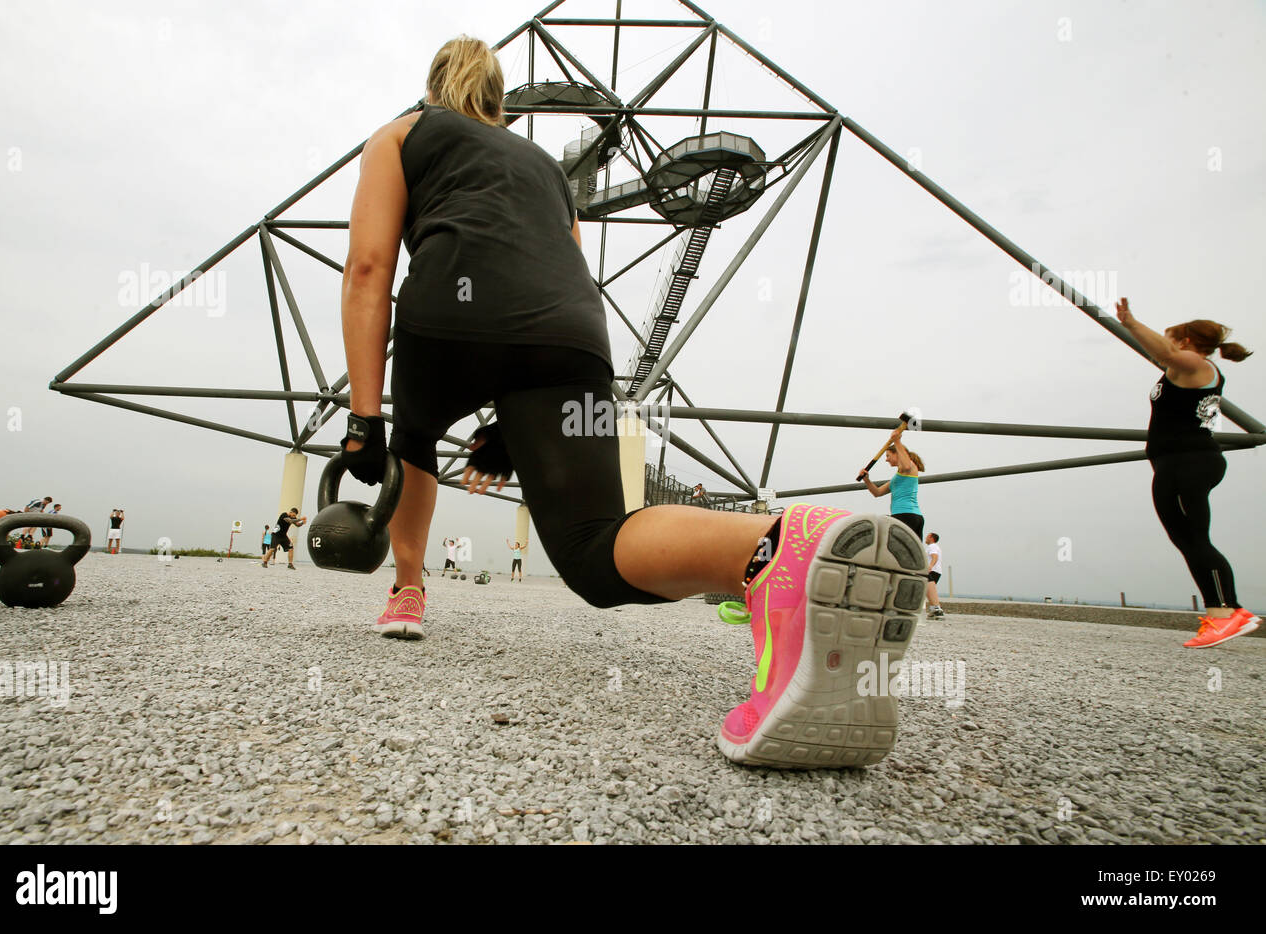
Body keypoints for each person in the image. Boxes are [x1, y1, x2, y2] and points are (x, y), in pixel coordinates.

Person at [329, 36, 930, 769]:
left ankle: (409, 591)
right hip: (570, 333)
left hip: (449, 316)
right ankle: (783, 548)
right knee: (593, 548)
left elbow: (368, 268)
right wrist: (517, 427)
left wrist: (365, 421)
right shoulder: (548, 170)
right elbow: (561, 265)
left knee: (414, 436)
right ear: (501, 99)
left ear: (433, 86)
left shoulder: (402, 133)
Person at [1116, 298, 1259, 648]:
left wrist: (1131, 323)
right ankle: (1223, 612)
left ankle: (1228, 612)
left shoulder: (1196, 364)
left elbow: (1165, 353)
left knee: (1195, 540)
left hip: (1189, 462)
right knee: (1186, 540)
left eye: (1170, 339)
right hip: (1176, 462)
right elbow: (1164, 357)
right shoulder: (1181, 369)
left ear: (1185, 343)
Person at [857, 425, 925, 539]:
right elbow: (877, 493)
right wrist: (867, 480)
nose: (886, 459)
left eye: (888, 455)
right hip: (908, 516)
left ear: (896, 454)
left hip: (905, 515)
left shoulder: (910, 466)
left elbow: (906, 465)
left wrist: (897, 441)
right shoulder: (898, 478)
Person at [923, 532, 944, 619]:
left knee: (927, 590)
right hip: (937, 571)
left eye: (927, 537)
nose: (925, 538)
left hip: (932, 570)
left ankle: (936, 609)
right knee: (928, 592)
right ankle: (934, 611)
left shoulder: (932, 546)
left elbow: (934, 556)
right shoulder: (935, 547)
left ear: (931, 537)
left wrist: (930, 566)